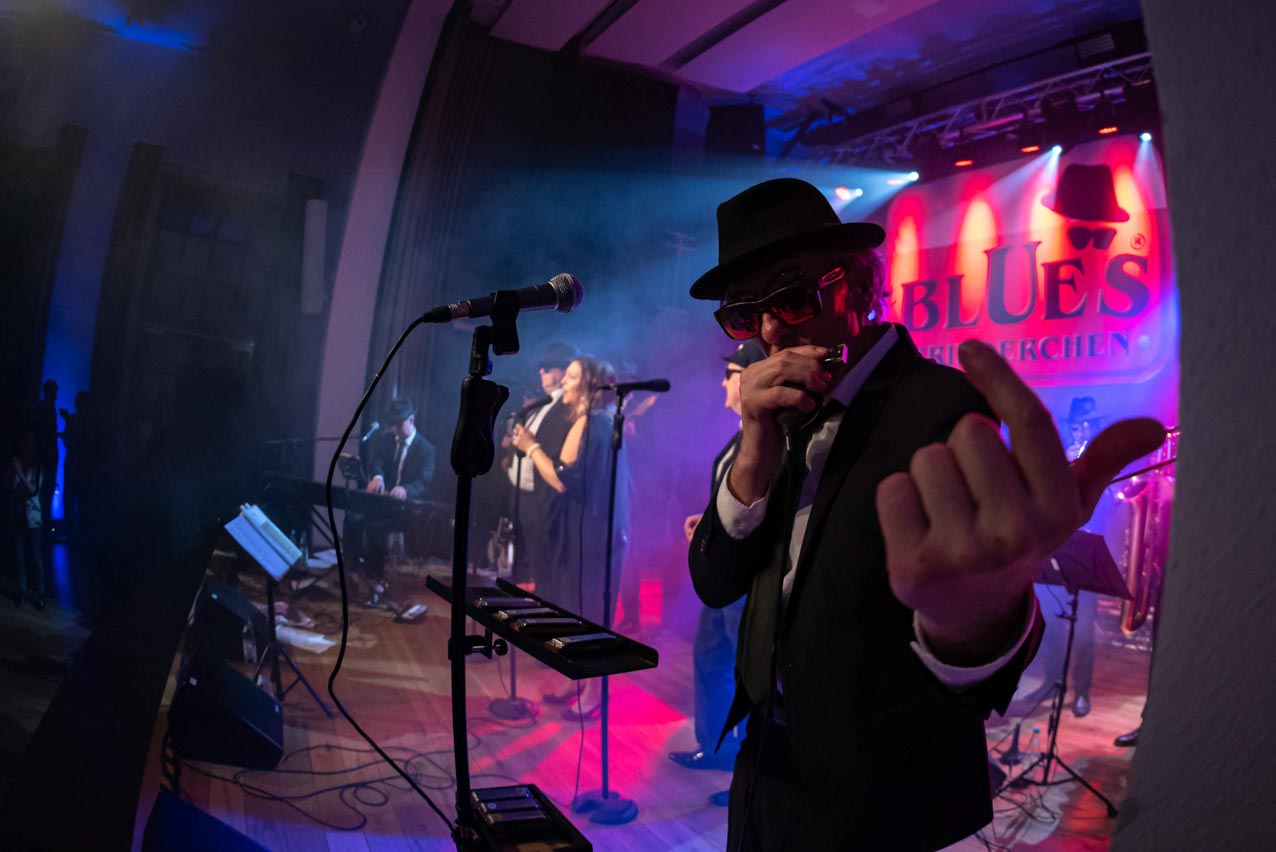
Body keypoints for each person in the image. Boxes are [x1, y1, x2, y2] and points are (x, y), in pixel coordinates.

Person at [685, 178, 1164, 850]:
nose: (767, 332)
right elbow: (714, 582)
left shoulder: (942, 407)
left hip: (882, 794)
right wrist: (754, 447)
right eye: (744, 316)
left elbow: (979, 654)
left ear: (857, 287)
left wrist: (975, 624)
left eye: (791, 299)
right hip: (765, 769)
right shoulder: (769, 419)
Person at [671, 341, 766, 804]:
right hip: (722, 575)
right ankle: (715, 747)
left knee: (745, 671)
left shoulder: (765, 438)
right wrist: (707, 520)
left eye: (729, 373)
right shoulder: (740, 435)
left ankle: (747, 770)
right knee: (710, 658)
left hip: (745, 579)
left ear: (747, 379)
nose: (722, 382)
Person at [511, 356, 631, 719]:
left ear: (591, 386)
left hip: (593, 533)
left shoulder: (593, 422)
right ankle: (577, 681)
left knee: (591, 612)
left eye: (573, 376)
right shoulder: (589, 420)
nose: (564, 380)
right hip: (582, 529)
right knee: (575, 608)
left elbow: (564, 479)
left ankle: (594, 692)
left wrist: (531, 447)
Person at [1019, 397, 1111, 718]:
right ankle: (1050, 681)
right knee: (1052, 625)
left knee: (1083, 631)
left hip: (1087, 553)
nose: (1080, 431)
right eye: (1076, 426)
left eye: (1086, 425)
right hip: (1057, 551)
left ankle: (1082, 690)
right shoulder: (1059, 458)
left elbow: (1106, 507)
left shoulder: (1103, 464)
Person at [504, 342, 577, 586]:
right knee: (530, 567)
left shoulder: (564, 406)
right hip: (525, 498)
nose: (541, 372)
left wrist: (529, 445)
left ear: (563, 371)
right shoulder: (544, 403)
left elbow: (553, 452)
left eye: (548, 368)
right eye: (542, 368)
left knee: (545, 570)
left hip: (544, 499)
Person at [354, 398, 435, 595]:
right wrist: (378, 477)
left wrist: (405, 490)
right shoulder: (386, 440)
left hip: (407, 509)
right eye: (393, 424)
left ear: (411, 421)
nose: (394, 429)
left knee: (375, 527)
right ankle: (352, 571)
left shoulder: (425, 449)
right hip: (383, 503)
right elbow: (377, 462)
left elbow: (424, 483)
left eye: (398, 424)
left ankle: (375, 577)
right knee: (353, 517)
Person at [8, 430, 46, 609]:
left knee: (36, 557)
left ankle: (40, 594)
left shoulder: (36, 465)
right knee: (19, 556)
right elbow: (9, 487)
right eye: (24, 439)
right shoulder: (16, 462)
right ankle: (22, 591)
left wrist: (19, 472)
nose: (27, 443)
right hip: (17, 515)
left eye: (30, 440)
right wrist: (13, 473)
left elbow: (33, 490)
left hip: (33, 517)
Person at [32, 380, 59, 536]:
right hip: (46, 454)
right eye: (54, 391)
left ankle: (43, 525)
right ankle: (43, 526)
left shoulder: (45, 407)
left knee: (46, 489)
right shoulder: (45, 407)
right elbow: (42, 432)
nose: (56, 395)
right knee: (45, 490)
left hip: (47, 453)